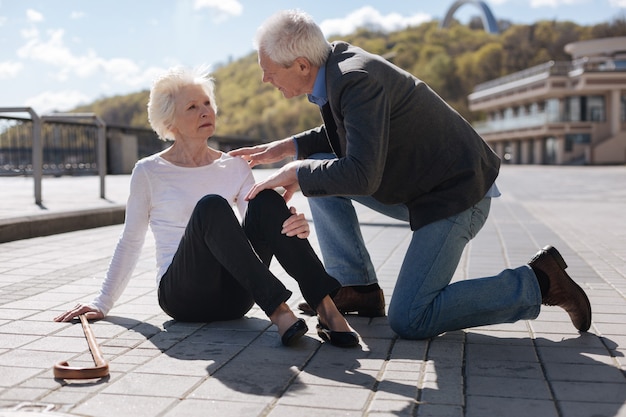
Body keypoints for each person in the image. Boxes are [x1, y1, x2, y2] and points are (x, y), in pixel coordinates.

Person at [229, 10, 592, 340]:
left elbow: (362, 176)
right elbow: (353, 134)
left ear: (302, 65)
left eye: (269, 69)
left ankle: (540, 281)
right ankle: (358, 287)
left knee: (411, 318)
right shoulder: (337, 67)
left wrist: (298, 171)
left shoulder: (355, 79)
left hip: (458, 195)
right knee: (321, 162)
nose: (264, 79)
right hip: (423, 189)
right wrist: (286, 148)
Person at [54, 66, 359, 348]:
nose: (205, 111)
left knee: (266, 198)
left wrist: (291, 224)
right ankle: (279, 311)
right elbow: (131, 242)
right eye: (192, 107)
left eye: (207, 104)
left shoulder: (235, 167)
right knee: (211, 207)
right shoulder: (148, 172)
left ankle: (327, 309)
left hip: (237, 298)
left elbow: (258, 228)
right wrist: (102, 302)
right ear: (170, 122)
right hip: (182, 295)